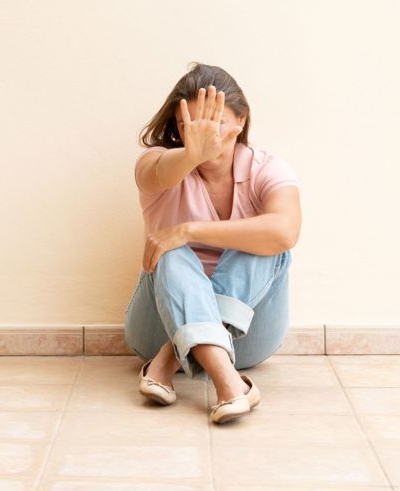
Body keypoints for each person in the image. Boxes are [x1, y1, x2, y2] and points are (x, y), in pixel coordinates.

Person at [123, 62, 302, 424]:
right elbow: (156, 173)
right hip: (155, 327)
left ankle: (168, 359)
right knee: (171, 252)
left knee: (268, 243)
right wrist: (193, 154)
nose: (204, 134)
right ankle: (228, 384)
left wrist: (189, 230)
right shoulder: (157, 163)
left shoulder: (268, 169)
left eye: (215, 122)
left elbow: (285, 231)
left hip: (247, 336)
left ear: (241, 120)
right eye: (189, 125)